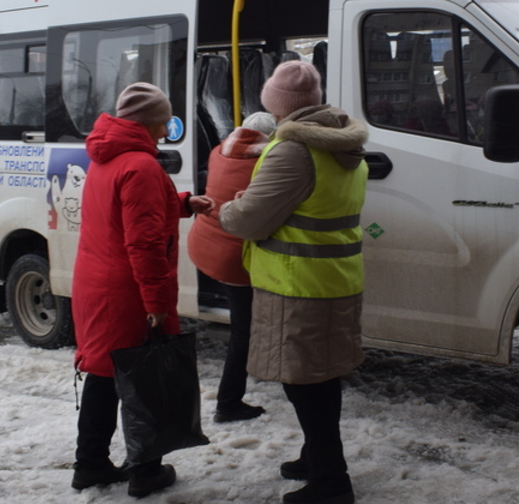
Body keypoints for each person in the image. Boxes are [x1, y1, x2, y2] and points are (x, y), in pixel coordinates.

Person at [220, 61, 369, 504]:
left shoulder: (292, 151)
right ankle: (315, 458)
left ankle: (330, 480)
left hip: (297, 285)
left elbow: (248, 220)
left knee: (305, 383)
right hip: (334, 279)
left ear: (276, 105)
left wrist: (229, 206)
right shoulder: (343, 145)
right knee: (322, 378)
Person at [70, 82, 213, 499]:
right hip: (128, 291)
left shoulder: (107, 158)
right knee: (143, 379)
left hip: (98, 283)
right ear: (156, 122)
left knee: (103, 375)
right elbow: (145, 244)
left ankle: (90, 464)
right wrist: (156, 304)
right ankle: (146, 471)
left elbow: (129, 215)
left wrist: (184, 203)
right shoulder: (142, 166)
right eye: (165, 120)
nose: (167, 127)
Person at [187, 111, 277, 424]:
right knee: (244, 330)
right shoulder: (264, 162)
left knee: (246, 323)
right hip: (234, 256)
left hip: (205, 245)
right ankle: (228, 403)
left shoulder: (218, 151)